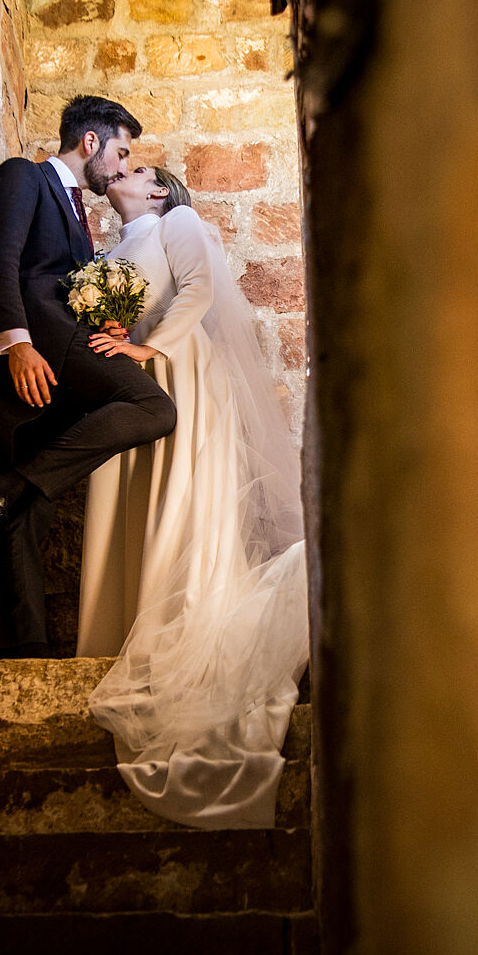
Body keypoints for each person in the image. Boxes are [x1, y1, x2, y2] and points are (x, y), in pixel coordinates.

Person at [77, 165, 309, 829]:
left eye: (141, 169)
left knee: (177, 496)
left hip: (175, 366)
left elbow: (199, 292)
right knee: (125, 493)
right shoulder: (119, 246)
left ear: (160, 192)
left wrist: (147, 344)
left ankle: (173, 606)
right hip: (137, 371)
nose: (125, 169)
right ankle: (116, 629)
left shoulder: (179, 222)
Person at [0, 97, 176, 659]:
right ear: (90, 143)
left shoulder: (81, 221)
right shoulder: (23, 177)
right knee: (156, 408)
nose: (123, 165)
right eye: (121, 151)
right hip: (40, 349)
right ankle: (0, 489)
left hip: (62, 363)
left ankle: (22, 651)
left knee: (28, 515)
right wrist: (17, 344)